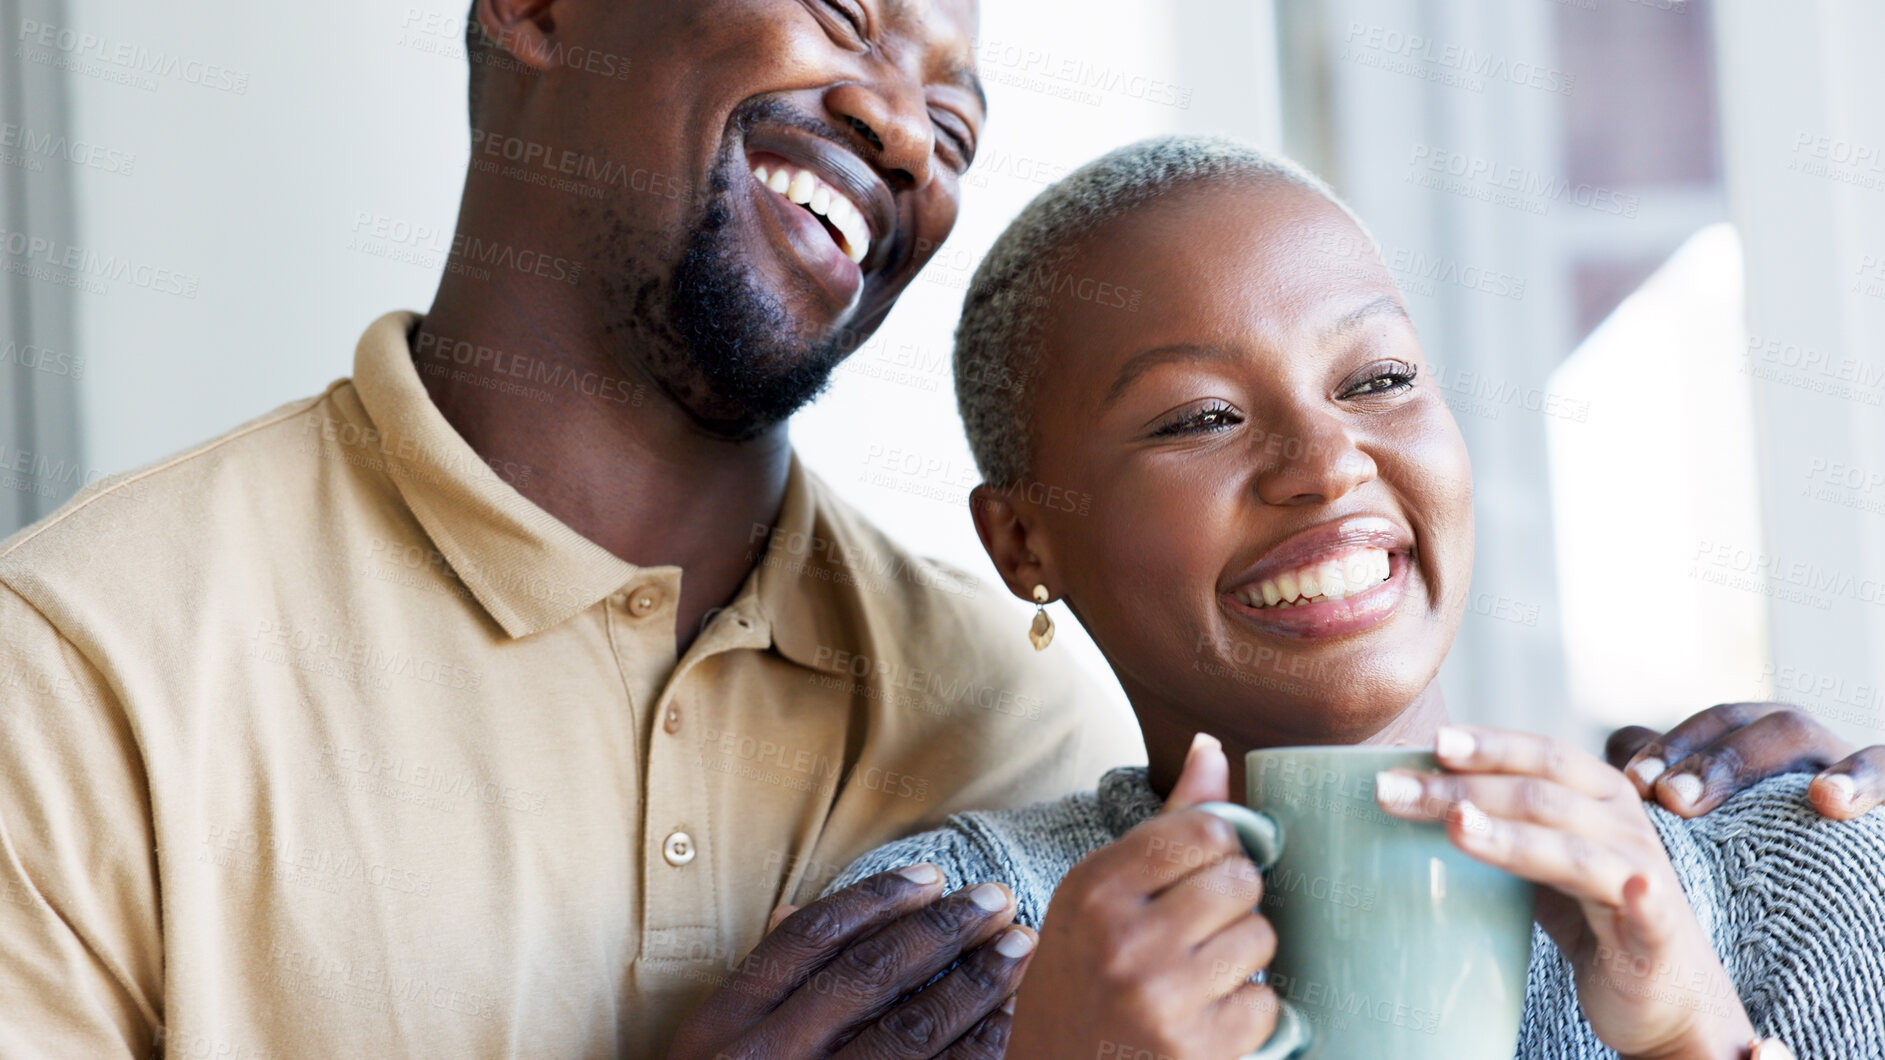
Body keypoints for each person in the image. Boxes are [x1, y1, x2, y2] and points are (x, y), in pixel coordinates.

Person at [0, 2, 1872, 1055]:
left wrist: (1748, 875)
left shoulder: (1042, 723)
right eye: (843, 11)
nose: (906, 131)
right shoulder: (82, 670)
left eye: (958, 127)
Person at [825, 136, 1885, 1058]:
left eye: (1376, 379)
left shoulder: (1801, 884)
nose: (1326, 462)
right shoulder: (939, 959)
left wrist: (1689, 1036)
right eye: (1198, 417)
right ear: (1021, 539)